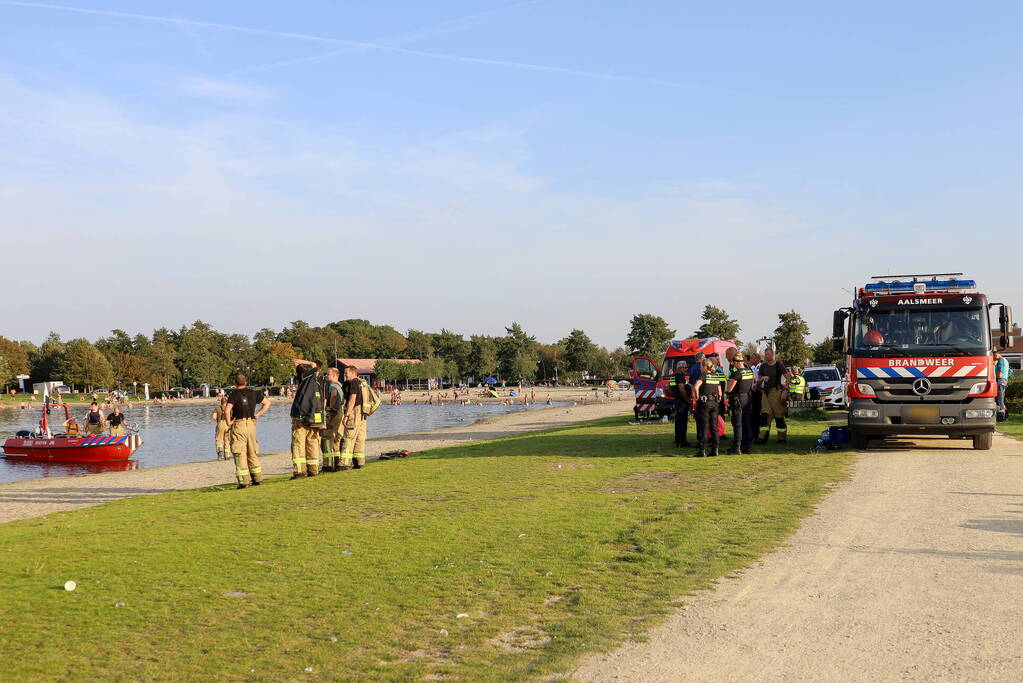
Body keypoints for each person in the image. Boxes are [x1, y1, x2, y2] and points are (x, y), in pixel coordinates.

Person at [225, 373, 270, 489]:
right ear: (246, 382)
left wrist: (229, 422)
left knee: (240, 452)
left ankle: (244, 482)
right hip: (251, 425)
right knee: (252, 451)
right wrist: (258, 414)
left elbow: (227, 410)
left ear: (235, 383)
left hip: (239, 425)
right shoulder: (253, 393)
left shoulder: (233, 394)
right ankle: (257, 479)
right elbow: (267, 403)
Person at [290, 359, 324, 479]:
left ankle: (300, 472)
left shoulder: (305, 376)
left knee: (298, 443)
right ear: (321, 370)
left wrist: (309, 364)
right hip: (315, 417)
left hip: (301, 416)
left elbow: (295, 361)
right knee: (313, 443)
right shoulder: (321, 381)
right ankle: (313, 470)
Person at [755, 347, 791, 444]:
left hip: (776, 392)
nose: (766, 356)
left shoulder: (778, 365)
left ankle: (782, 437)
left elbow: (788, 377)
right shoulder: (763, 366)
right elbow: (758, 381)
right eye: (765, 354)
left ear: (773, 355)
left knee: (779, 416)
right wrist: (762, 378)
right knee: (765, 415)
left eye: (768, 354)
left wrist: (785, 390)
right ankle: (762, 437)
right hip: (765, 393)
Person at [691, 358, 725, 457]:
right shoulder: (715, 376)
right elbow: (720, 392)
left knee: (704, 427)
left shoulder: (703, 375)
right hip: (715, 404)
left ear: (704, 366)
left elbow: (695, 387)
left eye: (701, 366)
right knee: (714, 427)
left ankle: (702, 450)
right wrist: (718, 399)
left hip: (705, 404)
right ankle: (715, 449)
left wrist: (697, 396)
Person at [339, 365, 369, 469]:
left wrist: (346, 415)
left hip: (354, 411)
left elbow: (352, 400)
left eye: (346, 373)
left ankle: (344, 463)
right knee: (360, 438)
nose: (344, 375)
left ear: (352, 373)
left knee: (349, 436)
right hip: (362, 413)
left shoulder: (353, 383)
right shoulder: (361, 383)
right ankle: (359, 462)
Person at [726, 354, 755, 454]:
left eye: (733, 363)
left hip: (738, 399)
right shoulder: (750, 372)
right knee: (747, 423)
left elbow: (729, 389)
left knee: (738, 424)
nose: (733, 365)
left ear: (736, 362)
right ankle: (748, 447)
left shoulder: (737, 373)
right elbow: (752, 385)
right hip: (747, 398)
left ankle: (737, 447)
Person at [321, 365, 345, 472]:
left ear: (335, 376)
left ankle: (328, 465)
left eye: (328, 374)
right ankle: (337, 462)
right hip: (339, 413)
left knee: (327, 437)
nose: (326, 376)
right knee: (336, 439)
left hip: (334, 414)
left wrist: (330, 407)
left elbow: (334, 395)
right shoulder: (340, 385)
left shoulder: (332, 386)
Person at [668, 360, 691, 448]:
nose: (686, 369)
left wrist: (675, 395)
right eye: (685, 367)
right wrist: (688, 400)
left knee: (678, 422)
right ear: (680, 367)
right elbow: (682, 390)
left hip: (677, 401)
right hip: (682, 402)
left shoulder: (673, 376)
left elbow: (669, 389)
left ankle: (677, 440)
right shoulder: (680, 376)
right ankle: (683, 442)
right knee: (682, 423)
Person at [995, 351, 1011, 421]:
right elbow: (1010, 371)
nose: (993, 357)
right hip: (1004, 381)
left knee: (999, 399)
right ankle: (1006, 415)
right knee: (1001, 399)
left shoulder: (1000, 360)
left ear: (997, 354)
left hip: (1000, 380)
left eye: (994, 355)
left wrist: (996, 378)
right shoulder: (1005, 360)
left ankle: (1001, 417)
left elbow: (1000, 372)